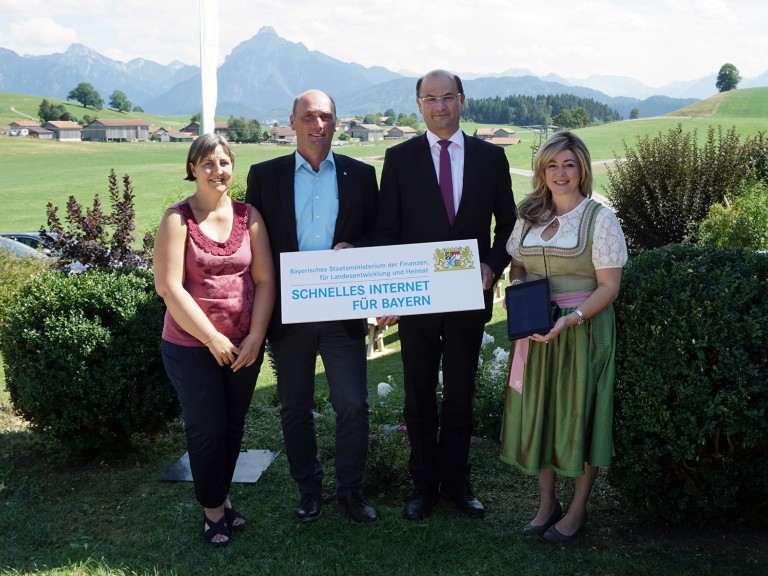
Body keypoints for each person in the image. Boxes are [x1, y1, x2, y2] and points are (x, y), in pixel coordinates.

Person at [374, 70, 517, 521]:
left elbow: (508, 223)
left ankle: (457, 481)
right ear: (418, 104)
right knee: (417, 392)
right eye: (431, 98)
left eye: (448, 97)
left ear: (462, 100)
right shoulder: (399, 159)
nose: (440, 106)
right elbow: (387, 229)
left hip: (468, 296)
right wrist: (387, 288)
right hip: (417, 299)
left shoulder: (491, 159)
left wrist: (493, 264)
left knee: (460, 390)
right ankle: (422, 484)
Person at [245, 89, 380, 525]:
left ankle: (351, 491)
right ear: (292, 122)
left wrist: (356, 247)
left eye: (324, 116)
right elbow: (254, 245)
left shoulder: (361, 175)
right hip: (290, 314)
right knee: (294, 406)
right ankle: (309, 490)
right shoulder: (264, 176)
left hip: (343, 315)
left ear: (336, 122)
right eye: (308, 116)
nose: (316, 124)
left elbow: (379, 234)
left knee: (354, 404)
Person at [500, 131, 628, 543]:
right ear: (542, 169)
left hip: (581, 331)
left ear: (582, 169)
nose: (560, 173)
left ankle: (576, 510)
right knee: (543, 414)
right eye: (552, 164)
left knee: (580, 415)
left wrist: (571, 318)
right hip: (537, 333)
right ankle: (546, 503)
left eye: (568, 164)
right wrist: (516, 291)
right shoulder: (530, 214)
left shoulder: (600, 218)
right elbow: (518, 265)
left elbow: (609, 286)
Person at [154, 133, 276, 547]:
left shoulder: (249, 215)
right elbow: (169, 287)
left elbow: (264, 279)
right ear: (192, 168)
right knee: (206, 427)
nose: (217, 171)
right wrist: (211, 339)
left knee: (231, 426)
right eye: (207, 163)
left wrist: (256, 335)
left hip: (243, 345)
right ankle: (211, 512)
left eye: (223, 162)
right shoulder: (177, 219)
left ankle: (222, 499)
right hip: (191, 346)